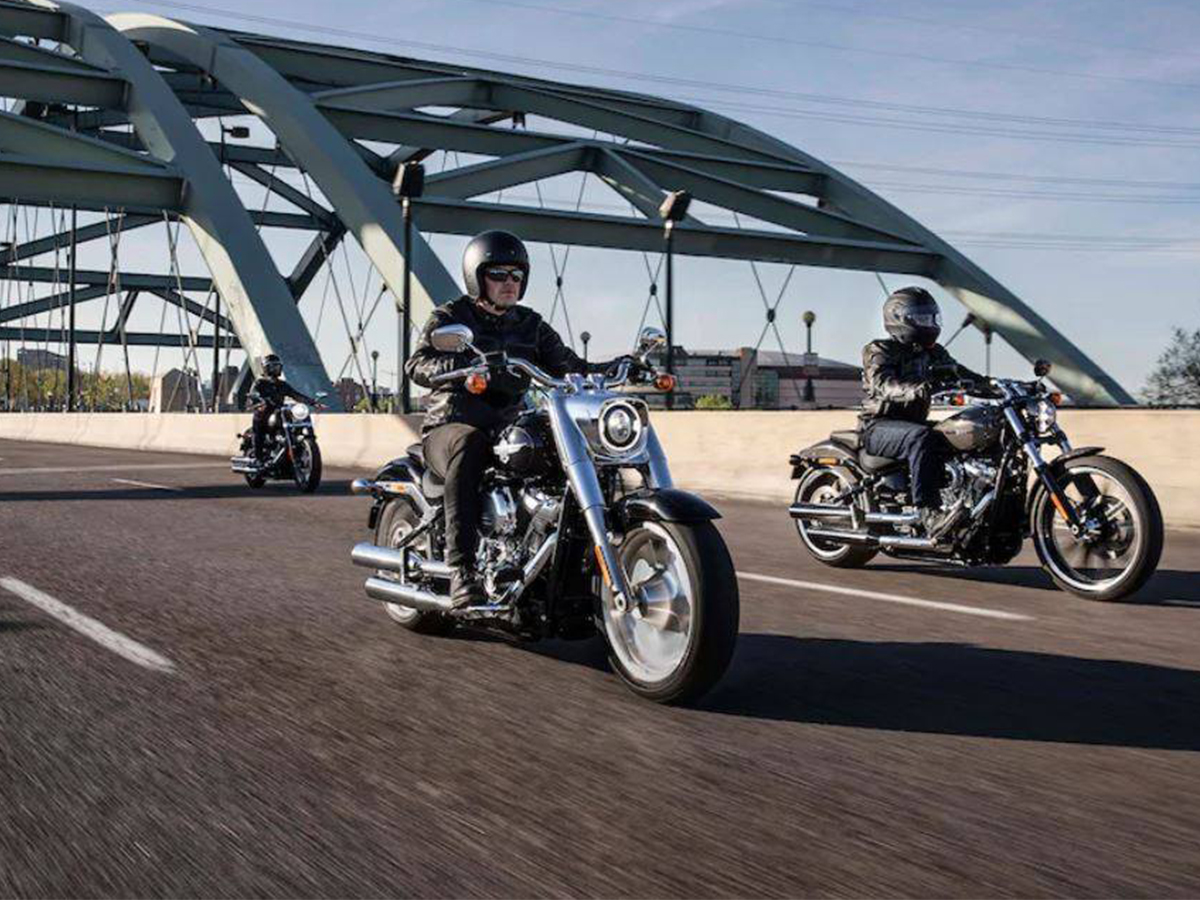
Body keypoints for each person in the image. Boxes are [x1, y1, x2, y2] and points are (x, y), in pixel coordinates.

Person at [406, 230, 621, 607]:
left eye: (517, 276)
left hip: (507, 428)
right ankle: (462, 569)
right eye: (499, 274)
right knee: (470, 444)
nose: (510, 283)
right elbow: (418, 362)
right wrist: (464, 365)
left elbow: (571, 367)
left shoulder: (531, 325)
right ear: (478, 276)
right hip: (451, 425)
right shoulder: (452, 315)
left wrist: (621, 366)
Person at [860, 286, 984, 538]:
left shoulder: (934, 353)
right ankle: (928, 512)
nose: (929, 324)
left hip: (911, 424)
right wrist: (918, 388)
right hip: (879, 426)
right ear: (900, 319)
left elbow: (965, 375)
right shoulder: (879, 350)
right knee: (921, 437)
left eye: (931, 318)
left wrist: (1001, 386)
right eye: (922, 318)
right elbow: (883, 385)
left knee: (952, 434)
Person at [247, 353, 315, 463]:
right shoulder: (260, 383)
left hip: (279, 411)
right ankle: (258, 457)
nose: (276, 369)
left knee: (294, 422)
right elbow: (253, 394)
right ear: (266, 368)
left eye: (277, 366)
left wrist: (312, 402)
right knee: (259, 428)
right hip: (264, 412)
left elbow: (295, 395)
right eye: (273, 366)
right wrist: (259, 401)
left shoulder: (282, 384)